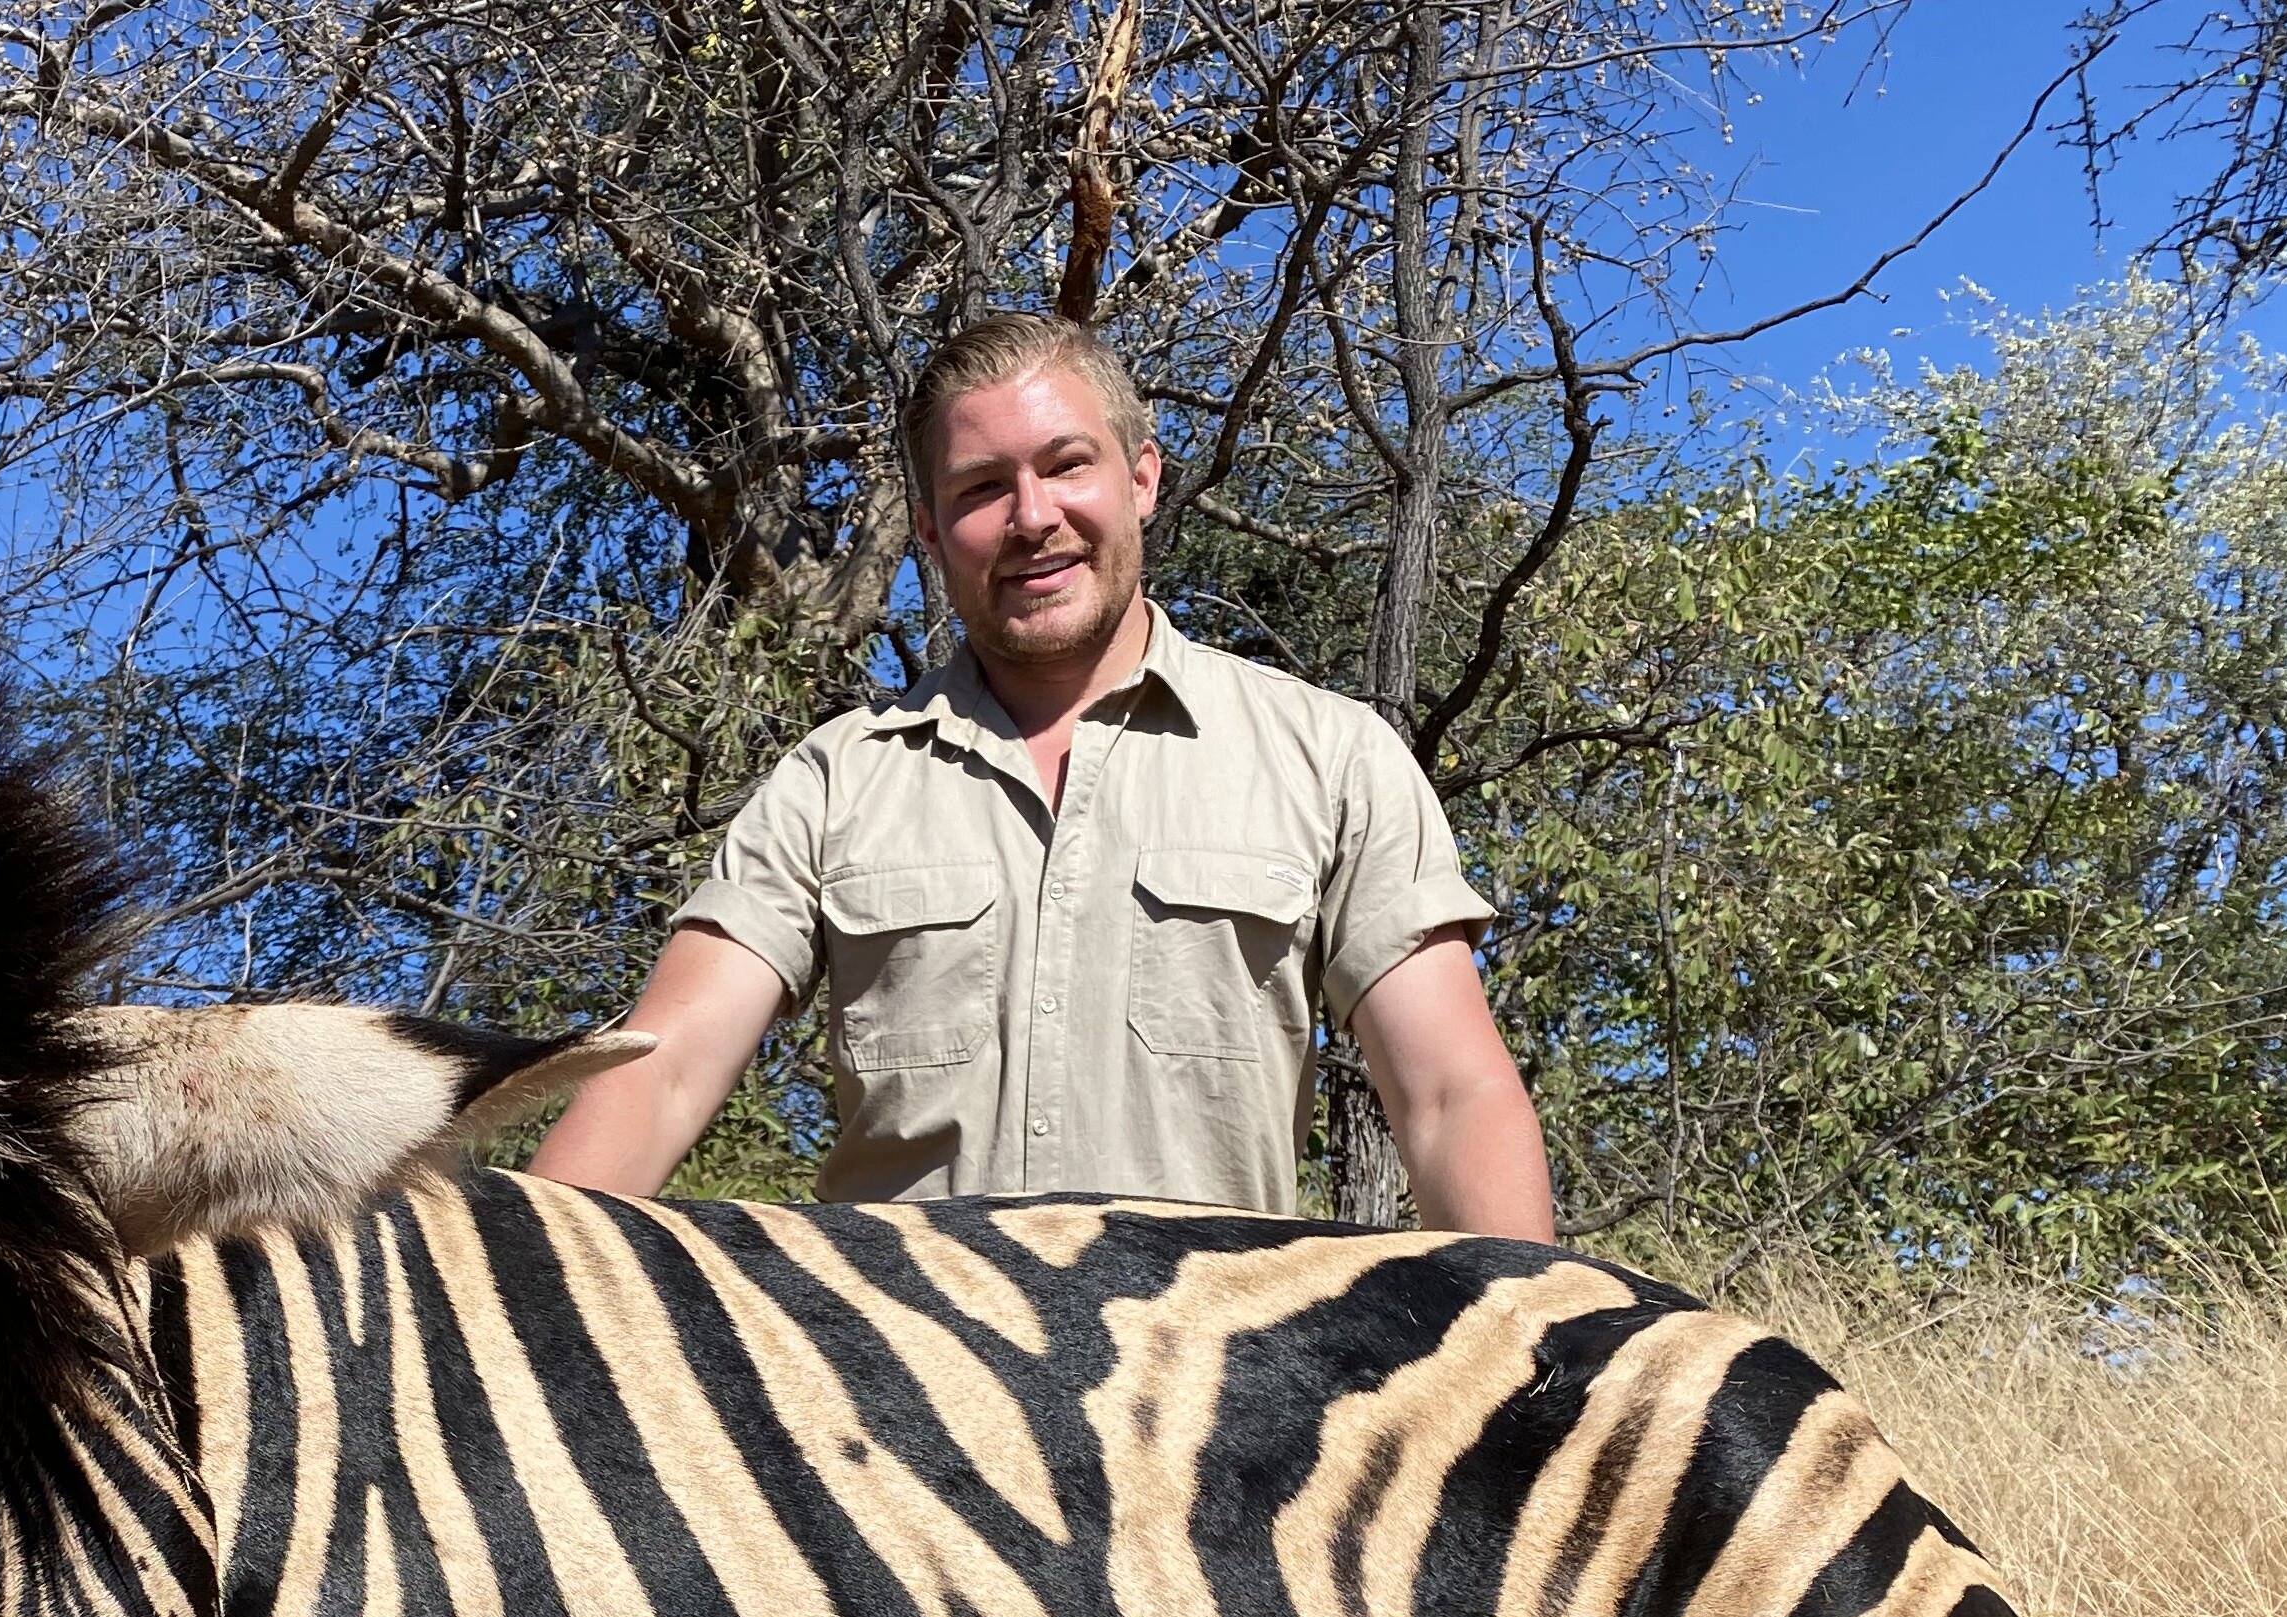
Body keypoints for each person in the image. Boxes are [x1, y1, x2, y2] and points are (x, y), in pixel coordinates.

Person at [530, 311, 1555, 1236]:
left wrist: (1535, 1384)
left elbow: (1450, 1098)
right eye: (981, 488)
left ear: (1142, 478)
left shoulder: (1330, 756)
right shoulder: (835, 781)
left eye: (1067, 465)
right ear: (929, 530)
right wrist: (494, 1296)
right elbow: (661, 1070)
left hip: (1223, 1413)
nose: (1032, 518)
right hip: (904, 1413)